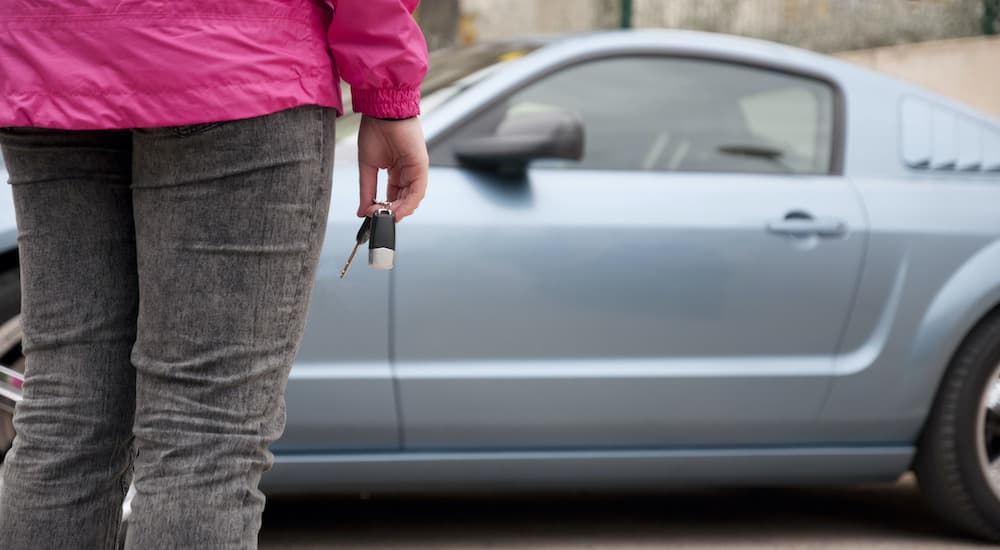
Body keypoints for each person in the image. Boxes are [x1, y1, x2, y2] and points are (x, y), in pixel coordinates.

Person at [0, 1, 429, 548]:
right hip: (235, 56)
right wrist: (387, 90)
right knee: (204, 432)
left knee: (67, 414)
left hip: (45, 52)